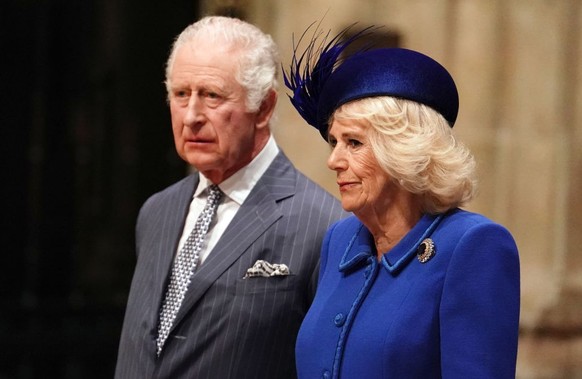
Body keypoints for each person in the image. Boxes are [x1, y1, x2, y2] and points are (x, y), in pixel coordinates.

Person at [115, 16, 346, 379]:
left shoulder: (324, 224)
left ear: (264, 108)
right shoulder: (156, 211)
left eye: (211, 96)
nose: (191, 116)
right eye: (180, 94)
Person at [284, 26, 520, 378]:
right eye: (334, 142)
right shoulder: (340, 240)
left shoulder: (473, 245)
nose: (334, 160)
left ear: (404, 150)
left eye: (354, 143)